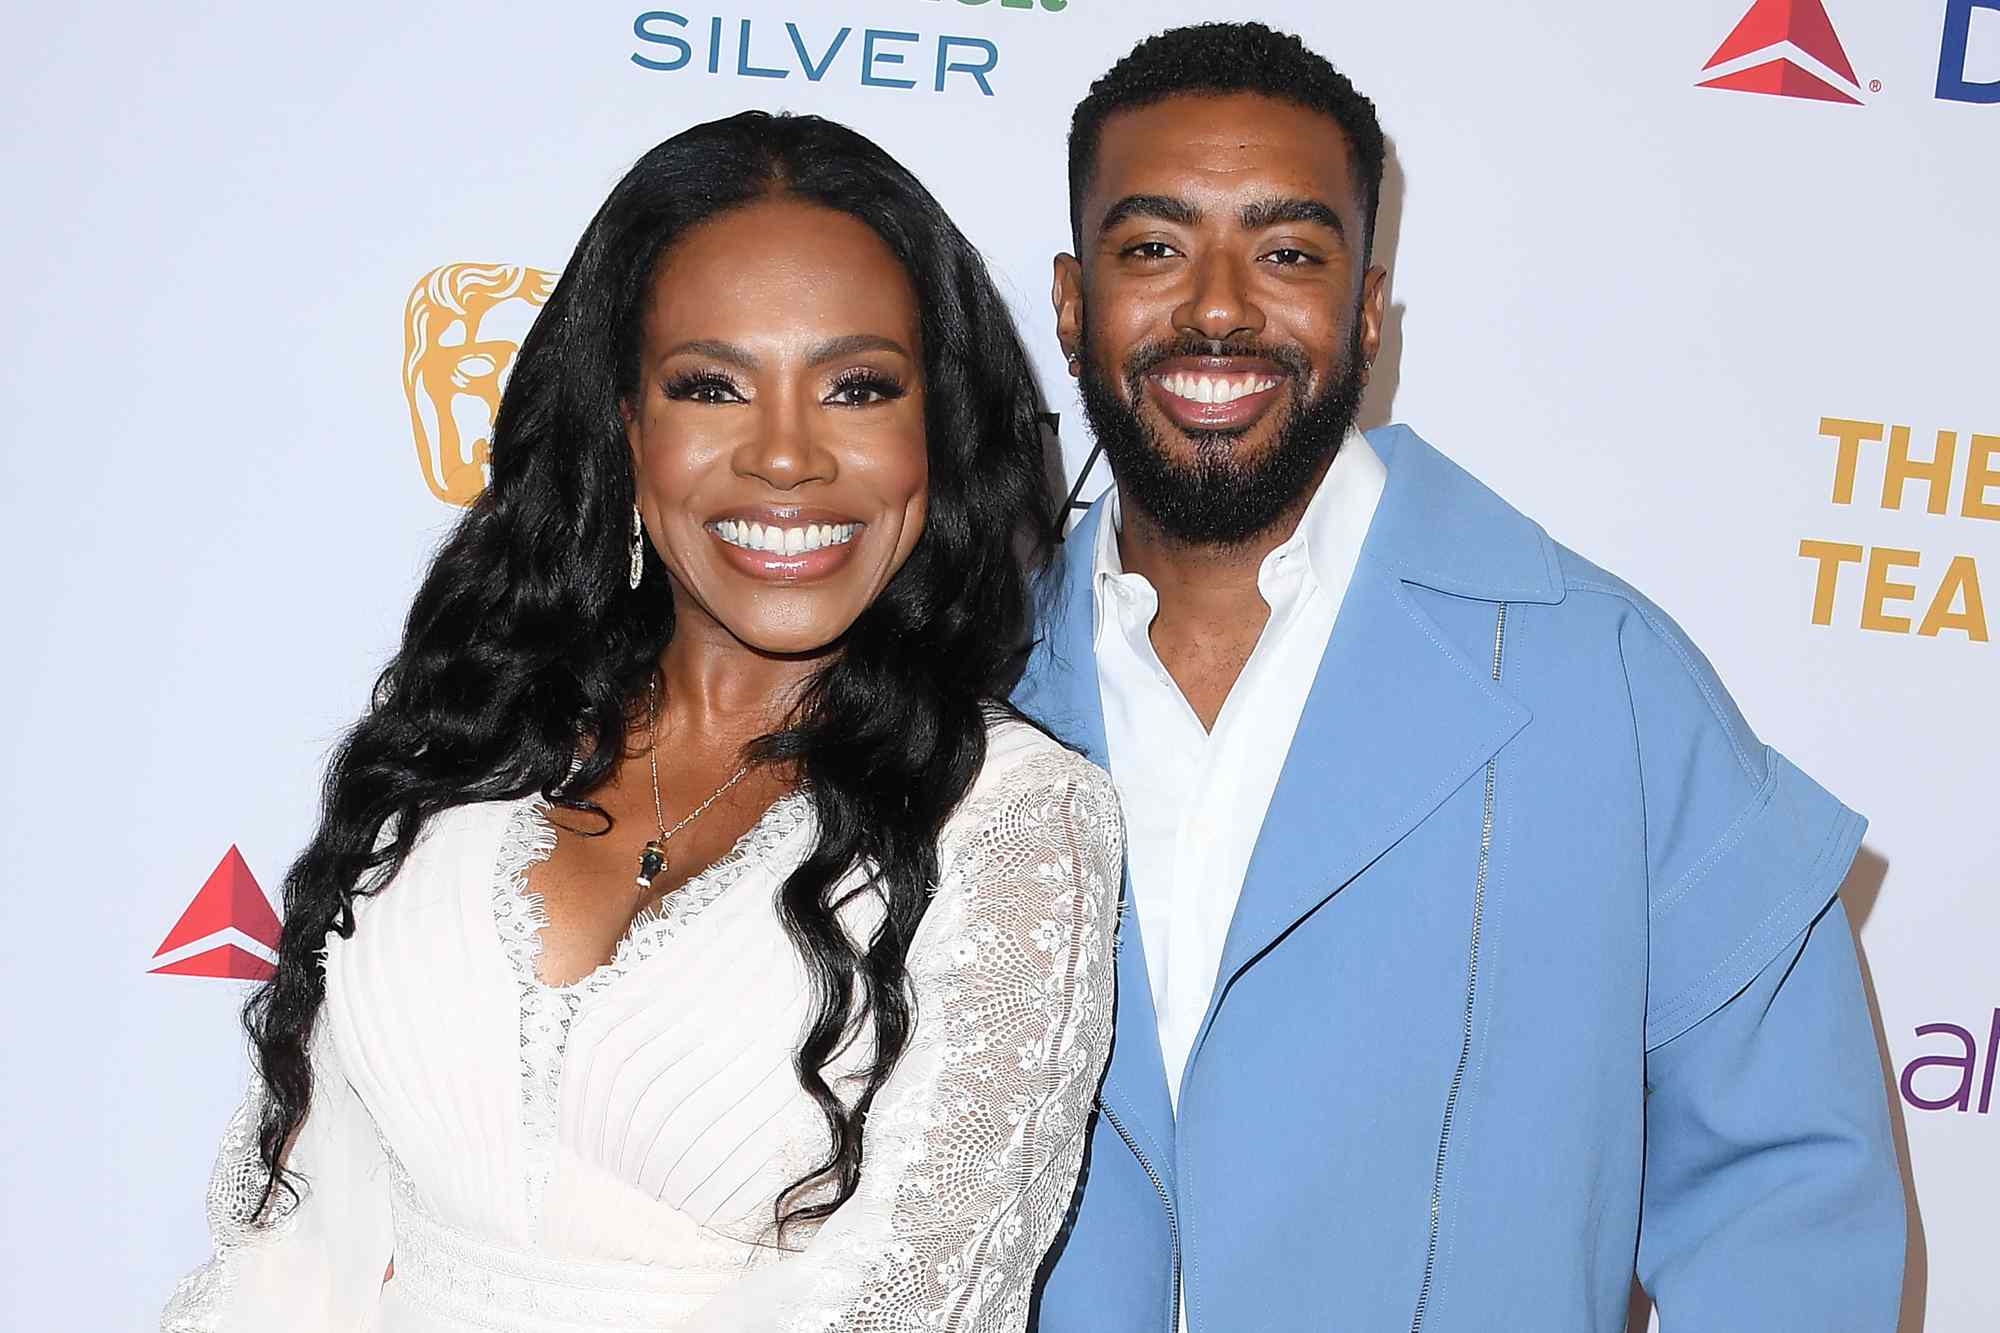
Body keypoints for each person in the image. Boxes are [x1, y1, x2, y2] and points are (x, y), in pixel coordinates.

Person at [162, 111, 1122, 1333]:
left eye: (857, 387)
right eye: (711, 385)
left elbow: (895, 1306)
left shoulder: (1015, 823)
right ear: (626, 423)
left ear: (932, 433)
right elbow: (286, 1238)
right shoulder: (472, 733)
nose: (785, 455)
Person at [1017, 22, 1904, 1332]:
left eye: (1287, 252)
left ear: (1366, 309)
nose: (1215, 305)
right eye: (1153, 247)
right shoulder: (940, 682)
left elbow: (1791, 1207)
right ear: (1071, 300)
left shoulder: (1607, 681)